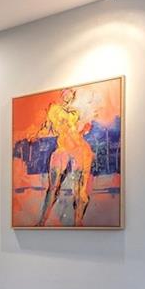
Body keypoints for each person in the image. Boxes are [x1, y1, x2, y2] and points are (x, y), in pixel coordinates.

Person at [31, 88, 94, 226]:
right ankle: (42, 221)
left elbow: (82, 129)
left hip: (77, 148)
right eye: (65, 92)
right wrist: (36, 134)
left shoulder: (76, 112)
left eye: (70, 92)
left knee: (79, 189)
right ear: (62, 95)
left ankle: (78, 222)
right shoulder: (54, 110)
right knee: (53, 187)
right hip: (62, 149)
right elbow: (47, 127)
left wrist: (84, 128)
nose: (67, 94)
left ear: (73, 96)